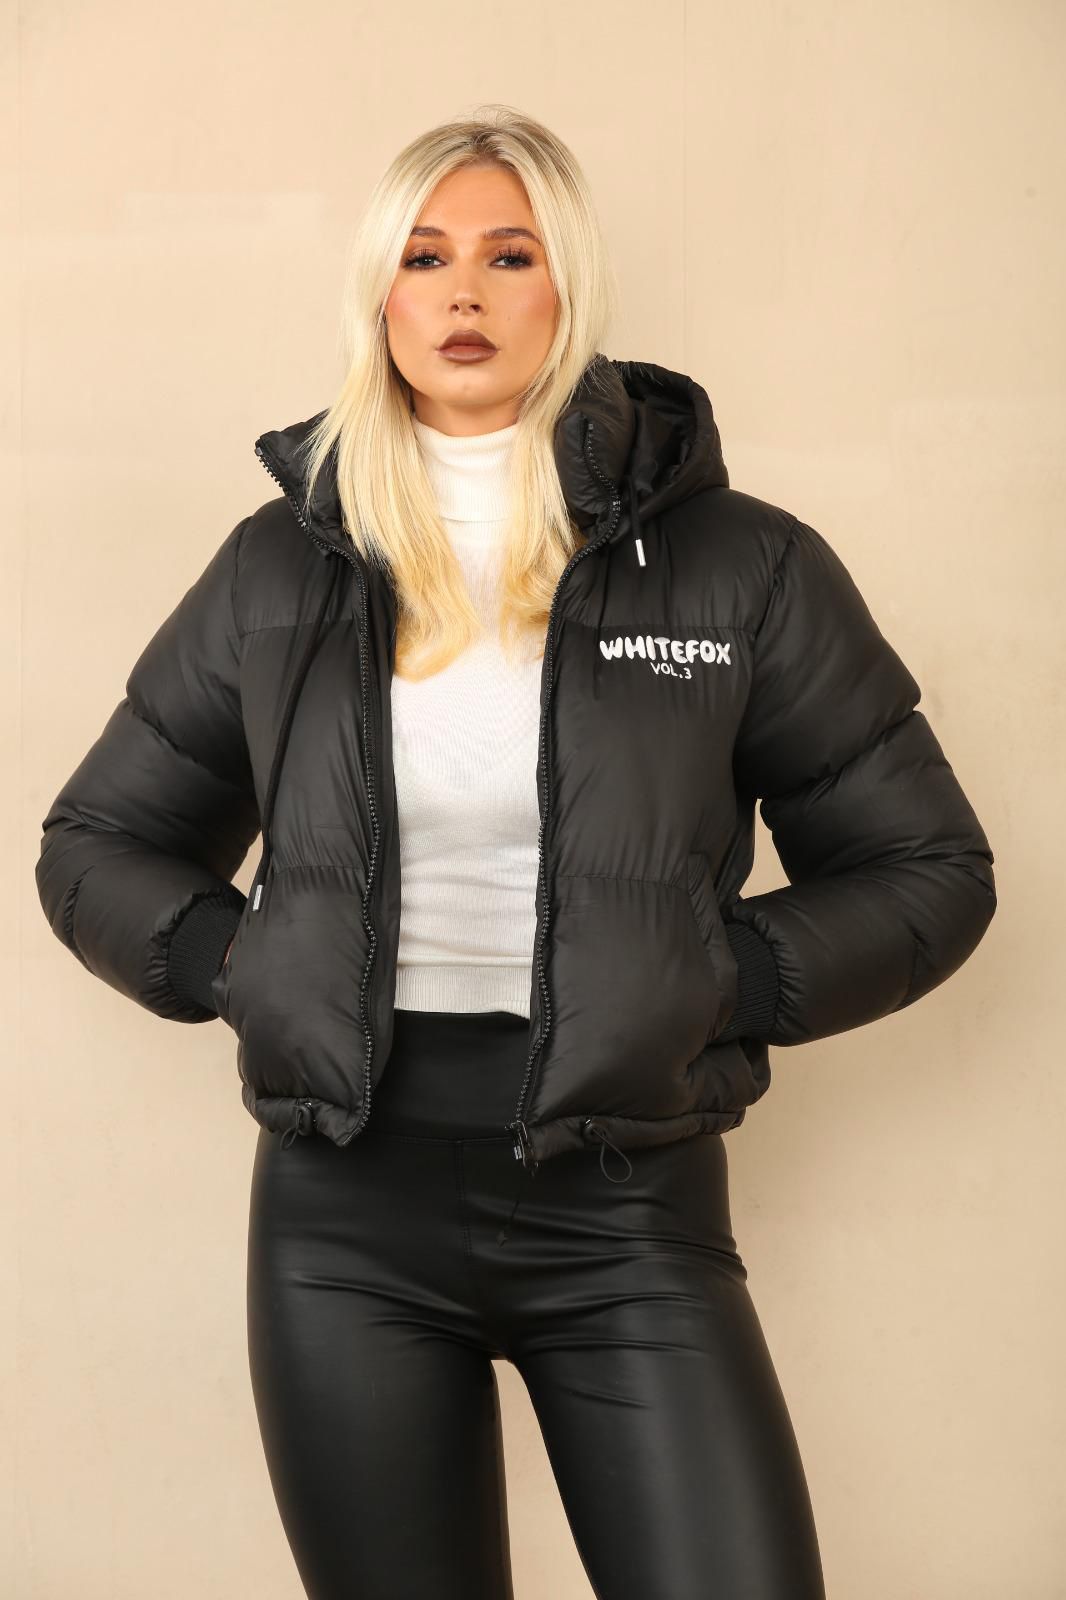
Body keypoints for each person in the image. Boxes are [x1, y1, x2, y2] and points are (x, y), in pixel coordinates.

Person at [35, 105, 997, 1600]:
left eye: (508, 254)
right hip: (344, 1215)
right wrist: (249, 965)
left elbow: (928, 866)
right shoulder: (279, 567)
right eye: (424, 258)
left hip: (628, 1204)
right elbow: (98, 842)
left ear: (570, 285)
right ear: (380, 294)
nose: (463, 294)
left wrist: (712, 979)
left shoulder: (740, 563)